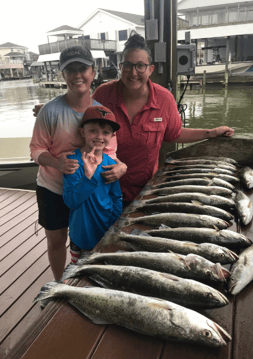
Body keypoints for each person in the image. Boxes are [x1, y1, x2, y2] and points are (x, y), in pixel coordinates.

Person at [33, 32, 234, 206]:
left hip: (144, 188)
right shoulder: (104, 94)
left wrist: (210, 133)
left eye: (140, 66)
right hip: (104, 187)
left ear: (150, 69)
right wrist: (49, 108)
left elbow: (174, 134)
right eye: (128, 65)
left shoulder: (164, 99)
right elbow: (83, 110)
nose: (133, 72)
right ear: (121, 67)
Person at [30, 45, 127, 281]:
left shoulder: (102, 114)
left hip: (88, 190)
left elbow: (109, 152)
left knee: (89, 237)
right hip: (53, 188)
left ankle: (86, 279)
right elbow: (36, 149)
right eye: (70, 70)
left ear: (93, 72)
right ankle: (58, 283)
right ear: (62, 75)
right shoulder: (50, 111)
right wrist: (57, 163)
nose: (77, 75)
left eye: (82, 68)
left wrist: (121, 166)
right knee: (56, 241)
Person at [63, 105, 122, 264]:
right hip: (80, 233)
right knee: (78, 272)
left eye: (106, 132)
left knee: (101, 267)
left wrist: (113, 225)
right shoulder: (72, 163)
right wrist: (88, 176)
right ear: (82, 132)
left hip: (105, 229)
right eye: (93, 130)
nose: (99, 136)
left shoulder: (110, 164)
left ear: (112, 136)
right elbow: (71, 201)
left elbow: (116, 198)